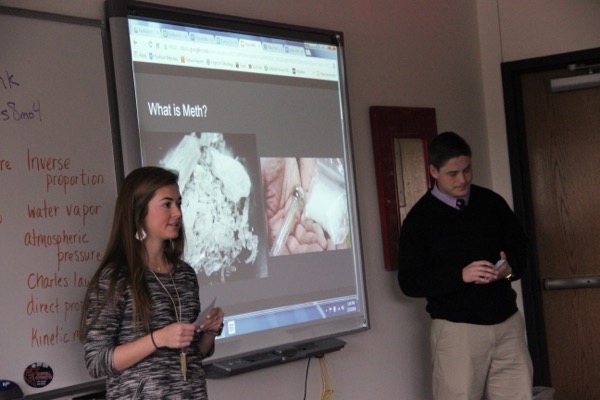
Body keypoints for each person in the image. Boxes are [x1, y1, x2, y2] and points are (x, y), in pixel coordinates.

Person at [397, 132, 533, 400]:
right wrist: (460, 275)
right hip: (458, 330)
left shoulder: (491, 203)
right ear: (433, 171)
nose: (463, 179)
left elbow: (523, 250)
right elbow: (409, 282)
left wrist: (509, 271)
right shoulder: (419, 219)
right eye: (453, 173)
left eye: (467, 169)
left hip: (507, 324)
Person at [80, 166, 225, 399]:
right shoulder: (115, 278)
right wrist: (158, 339)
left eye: (179, 203)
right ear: (139, 212)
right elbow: (96, 362)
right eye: (167, 204)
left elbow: (194, 354)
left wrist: (209, 332)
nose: (177, 213)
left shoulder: (185, 274)